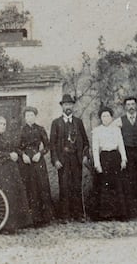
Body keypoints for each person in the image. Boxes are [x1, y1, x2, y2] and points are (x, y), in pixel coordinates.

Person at [0, 116, 31, 234]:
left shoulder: (5, 137)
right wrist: (9, 156)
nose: (3, 126)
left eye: (4, 124)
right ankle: (0, 226)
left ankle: (11, 225)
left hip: (8, 171)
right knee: (1, 197)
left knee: (12, 196)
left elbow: (13, 148)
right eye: (0, 123)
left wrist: (20, 154)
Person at [49, 94, 90, 223]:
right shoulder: (56, 123)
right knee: (64, 187)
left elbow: (86, 142)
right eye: (66, 104)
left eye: (70, 104)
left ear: (73, 106)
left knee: (76, 186)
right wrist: (55, 160)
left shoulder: (78, 122)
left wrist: (84, 156)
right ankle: (64, 216)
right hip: (63, 160)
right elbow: (52, 144)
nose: (68, 107)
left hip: (76, 159)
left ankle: (78, 214)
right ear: (62, 106)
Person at [18, 106, 54, 227]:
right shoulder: (21, 130)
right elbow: (17, 147)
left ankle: (43, 218)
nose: (30, 118)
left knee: (41, 187)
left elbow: (48, 146)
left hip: (38, 161)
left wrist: (40, 153)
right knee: (29, 187)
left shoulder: (40, 129)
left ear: (35, 116)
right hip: (26, 162)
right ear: (25, 117)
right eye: (27, 116)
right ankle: (30, 219)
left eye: (32, 115)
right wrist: (23, 155)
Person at [91, 107, 128, 220]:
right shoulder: (97, 131)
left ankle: (119, 213)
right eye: (103, 116)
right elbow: (95, 149)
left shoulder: (116, 130)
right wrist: (97, 164)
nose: (106, 118)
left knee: (117, 185)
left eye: (108, 116)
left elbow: (121, 145)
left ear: (111, 117)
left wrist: (123, 159)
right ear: (100, 118)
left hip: (115, 157)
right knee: (104, 186)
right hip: (104, 158)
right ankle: (105, 214)